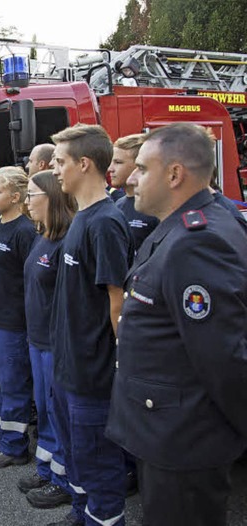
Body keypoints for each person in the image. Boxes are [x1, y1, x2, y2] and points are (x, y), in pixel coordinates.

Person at [106, 123, 247, 526]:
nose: (131, 179)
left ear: (174, 174)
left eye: (142, 169)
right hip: (170, 430)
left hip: (183, 438)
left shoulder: (196, 241)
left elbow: (224, 358)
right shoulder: (185, 225)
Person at [49, 124, 133, 526]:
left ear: (84, 164)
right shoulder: (83, 217)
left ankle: (103, 517)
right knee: (78, 455)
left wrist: (125, 368)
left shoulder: (104, 222)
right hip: (69, 367)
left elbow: (118, 303)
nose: (54, 169)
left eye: (61, 161)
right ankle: (82, 512)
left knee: (99, 461)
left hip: (93, 373)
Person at [19, 170, 75, 508]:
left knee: (59, 414)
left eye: (31, 195)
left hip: (55, 344)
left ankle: (65, 479)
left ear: (51, 197)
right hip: (37, 339)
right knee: (44, 409)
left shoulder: (67, 240)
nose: (27, 202)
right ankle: (49, 470)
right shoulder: (44, 236)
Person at [0, 166, 37, 468]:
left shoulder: (25, 231)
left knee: (13, 384)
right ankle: (5, 436)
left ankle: (15, 447)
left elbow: (32, 281)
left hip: (12, 323)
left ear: (16, 196)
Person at [109, 134, 159, 252]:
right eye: (111, 162)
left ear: (139, 165)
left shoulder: (156, 208)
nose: (110, 168)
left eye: (118, 162)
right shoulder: (118, 205)